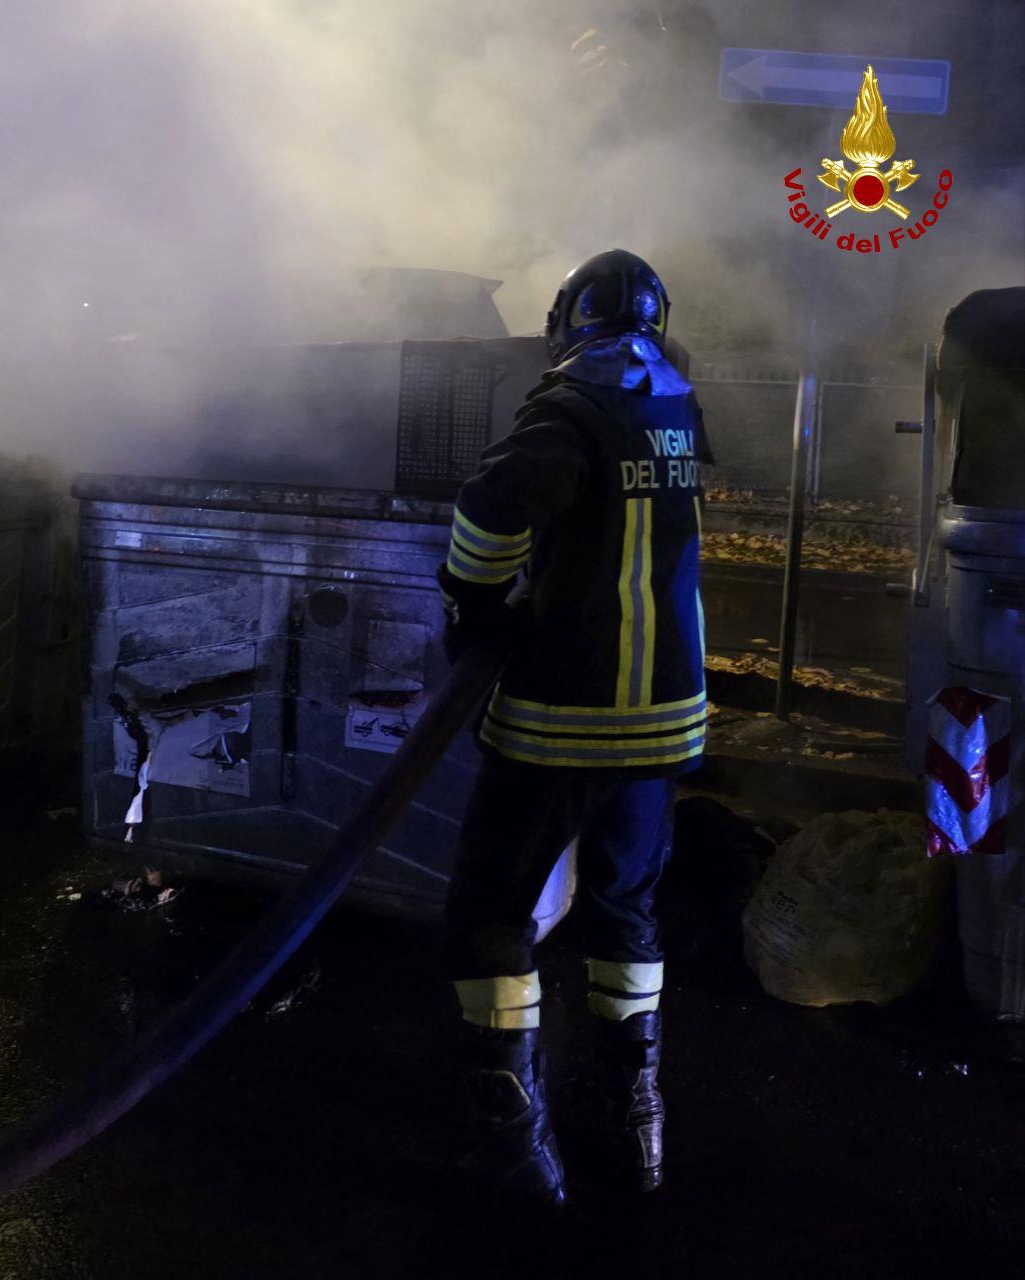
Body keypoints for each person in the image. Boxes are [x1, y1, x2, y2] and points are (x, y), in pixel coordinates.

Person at [437, 248, 711, 1207]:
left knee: (489, 920)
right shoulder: (671, 401)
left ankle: (516, 1152)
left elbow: (491, 507)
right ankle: (635, 1123)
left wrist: (472, 601)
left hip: (562, 715)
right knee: (624, 911)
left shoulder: (570, 399)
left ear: (565, 319)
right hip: (661, 722)